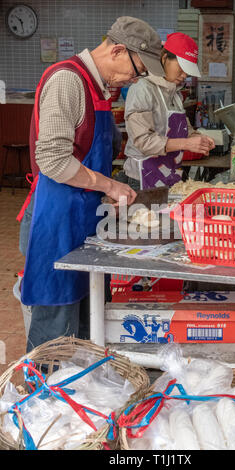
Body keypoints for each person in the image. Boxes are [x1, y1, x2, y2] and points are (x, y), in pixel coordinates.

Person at [18, 16, 164, 352]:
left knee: (87, 325)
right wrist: (108, 186)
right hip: (56, 223)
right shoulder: (68, 80)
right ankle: (44, 399)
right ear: (116, 50)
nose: (133, 80)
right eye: (137, 70)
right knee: (57, 331)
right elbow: (52, 160)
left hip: (83, 221)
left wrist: (103, 191)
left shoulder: (98, 88)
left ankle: (81, 396)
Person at [117, 32, 215, 190]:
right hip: (143, 180)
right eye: (181, 68)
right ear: (164, 58)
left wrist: (198, 137)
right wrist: (187, 143)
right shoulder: (143, 89)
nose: (184, 75)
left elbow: (182, 128)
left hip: (170, 176)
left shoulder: (174, 93)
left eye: (187, 72)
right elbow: (143, 141)